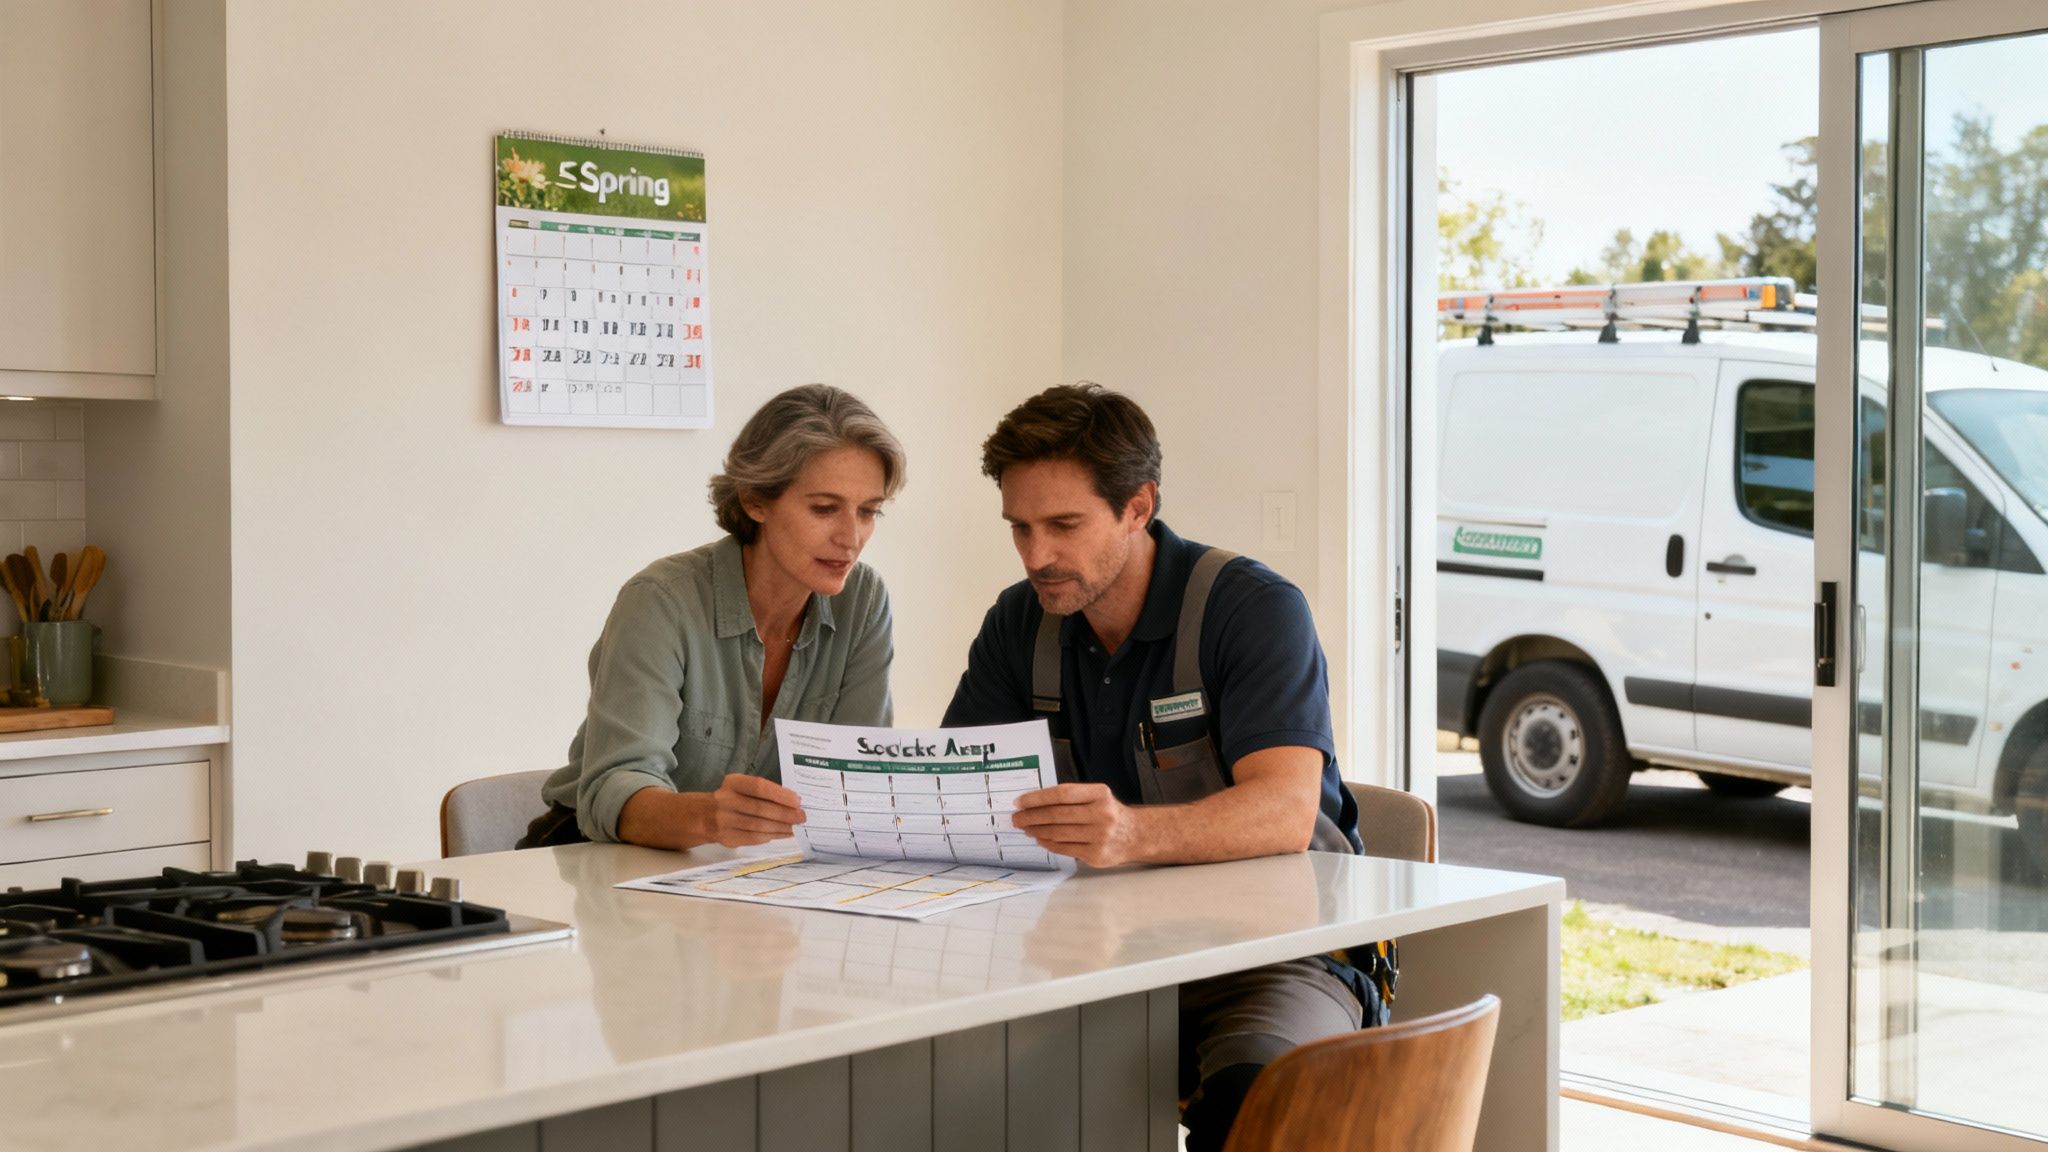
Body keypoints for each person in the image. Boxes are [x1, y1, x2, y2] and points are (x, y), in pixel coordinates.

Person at [942, 383, 1367, 1152]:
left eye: (1064, 525)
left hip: (1274, 957)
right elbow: (961, 795)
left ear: (1138, 507)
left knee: (1259, 1103)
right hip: (1092, 959)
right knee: (947, 1086)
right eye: (1020, 528)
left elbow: (1284, 811)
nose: (1038, 556)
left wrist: (1129, 834)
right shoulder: (1018, 622)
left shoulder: (1254, 610)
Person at [522, 384, 904, 850]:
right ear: (754, 500)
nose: (852, 537)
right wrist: (711, 819)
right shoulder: (660, 601)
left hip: (739, 872)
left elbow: (857, 782)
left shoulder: (863, 602)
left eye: (869, 512)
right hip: (594, 856)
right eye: (824, 509)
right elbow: (612, 790)